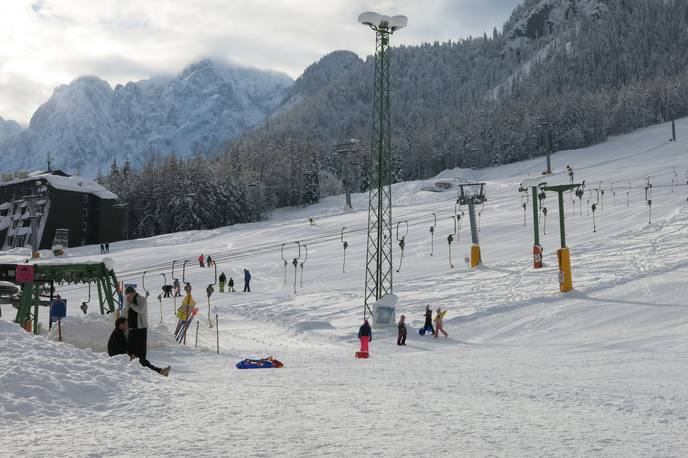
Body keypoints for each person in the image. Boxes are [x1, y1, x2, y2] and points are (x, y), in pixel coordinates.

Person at [121, 285, 171, 376]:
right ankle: (137, 372)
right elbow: (123, 313)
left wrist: (131, 304)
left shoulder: (142, 299)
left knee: (140, 354)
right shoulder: (129, 302)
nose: (128, 297)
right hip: (131, 330)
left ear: (133, 293)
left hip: (140, 330)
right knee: (131, 353)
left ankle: (154, 372)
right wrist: (128, 304)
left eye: (129, 295)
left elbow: (140, 310)